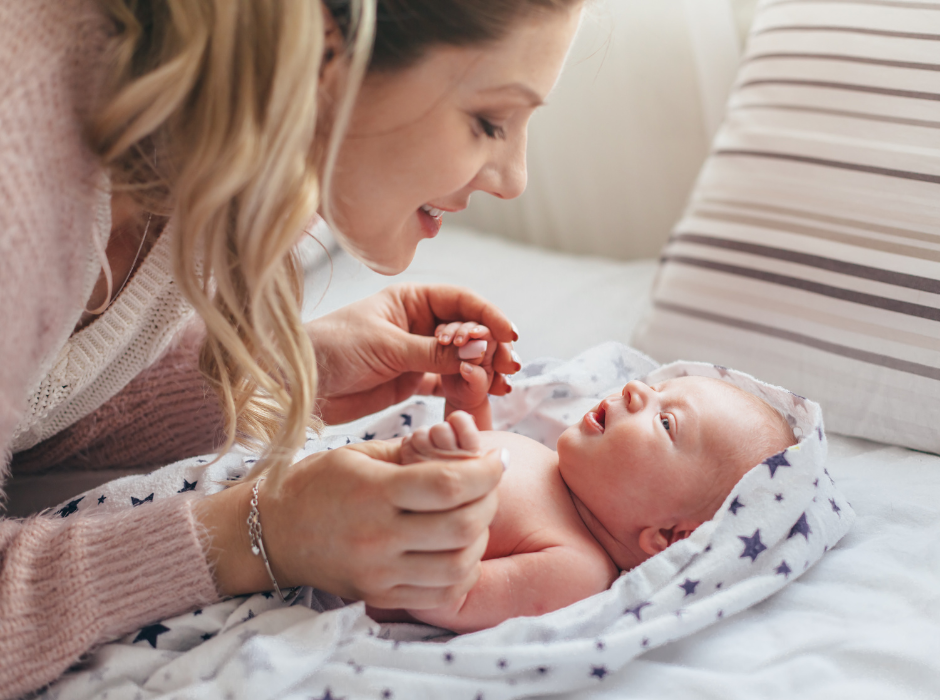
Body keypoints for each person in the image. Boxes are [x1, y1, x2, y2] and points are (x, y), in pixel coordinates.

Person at [0, 0, 583, 696]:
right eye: (490, 121)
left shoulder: (206, 145)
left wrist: (279, 371)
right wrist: (258, 536)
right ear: (327, 53)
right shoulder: (20, 170)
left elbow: (41, 399)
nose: (513, 177)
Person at [371, 334, 796, 633]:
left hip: (341, 554)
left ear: (666, 536)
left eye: (666, 422)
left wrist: (437, 515)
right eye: (655, 388)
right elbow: (479, 462)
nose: (634, 390)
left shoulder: (578, 569)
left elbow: (451, 599)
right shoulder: (549, 464)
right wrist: (467, 406)